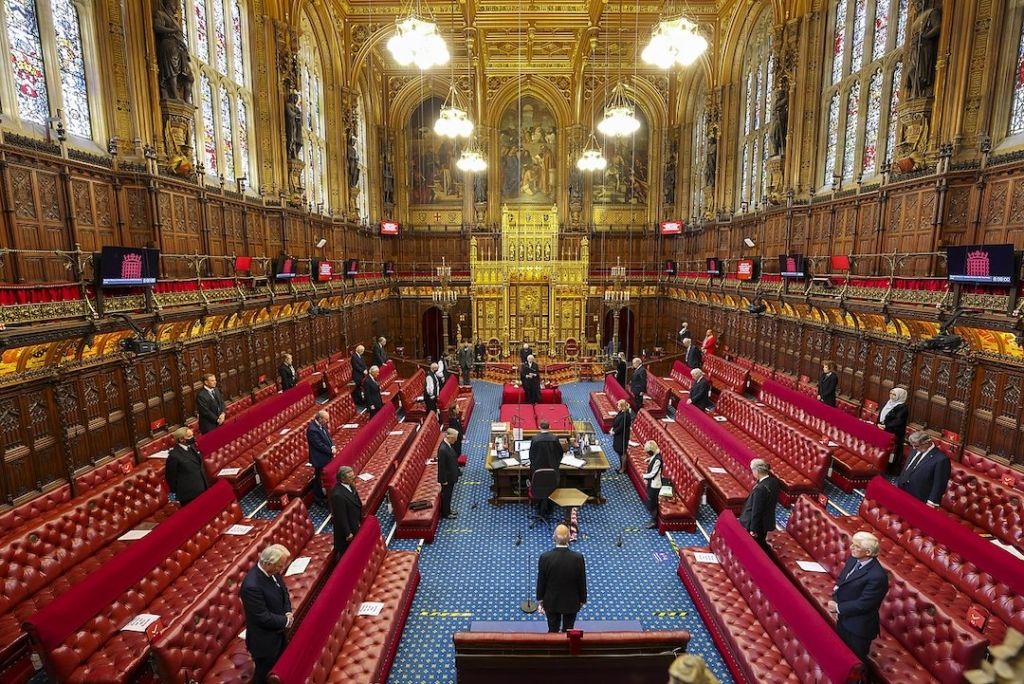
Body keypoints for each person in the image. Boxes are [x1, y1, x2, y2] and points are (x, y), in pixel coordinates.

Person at [827, 532, 889, 663]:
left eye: (857, 546)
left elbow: (864, 604)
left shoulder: (877, 577)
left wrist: (838, 608)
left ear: (868, 552)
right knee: (838, 654)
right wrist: (836, 594)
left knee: (853, 661)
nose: (852, 548)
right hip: (844, 618)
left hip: (858, 628)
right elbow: (843, 578)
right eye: (853, 544)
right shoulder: (854, 559)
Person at [241, 544, 293, 684]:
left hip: (279, 634)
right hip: (264, 642)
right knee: (264, 676)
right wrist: (286, 621)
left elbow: (284, 592)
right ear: (269, 563)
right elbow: (262, 617)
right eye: (279, 566)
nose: (281, 569)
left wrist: (288, 611)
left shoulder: (273, 572)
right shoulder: (251, 586)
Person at [536, 524, 587, 633]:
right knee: (569, 630)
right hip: (572, 601)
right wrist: (583, 599)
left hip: (551, 601)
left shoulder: (545, 558)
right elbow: (581, 581)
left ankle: (553, 649)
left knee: (553, 630)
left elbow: (542, 581)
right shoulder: (578, 558)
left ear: (554, 537)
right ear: (569, 537)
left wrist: (540, 599)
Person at [895, 431, 951, 507]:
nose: (914, 448)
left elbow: (939, 484)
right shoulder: (916, 448)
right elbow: (908, 467)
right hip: (901, 489)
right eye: (912, 446)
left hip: (918, 497)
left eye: (916, 446)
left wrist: (931, 502)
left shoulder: (941, 459)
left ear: (927, 443)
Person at [737, 459, 780, 551]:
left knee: (754, 547)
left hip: (757, 524)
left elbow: (757, 510)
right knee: (760, 542)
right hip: (767, 520)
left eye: (752, 470)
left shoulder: (759, 489)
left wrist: (753, 529)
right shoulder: (774, 482)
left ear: (757, 471)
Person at [165, 426, 208, 506]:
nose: (192, 438)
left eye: (192, 435)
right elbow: (170, 477)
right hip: (189, 494)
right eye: (189, 436)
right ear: (181, 439)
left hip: (202, 487)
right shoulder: (174, 456)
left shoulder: (192, 448)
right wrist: (178, 491)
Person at [529, 420, 563, 518]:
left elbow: (531, 456)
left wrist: (534, 466)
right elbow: (560, 454)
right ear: (550, 427)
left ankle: (540, 506)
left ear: (539, 427)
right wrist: (556, 465)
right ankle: (549, 507)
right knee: (549, 487)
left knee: (540, 487)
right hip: (553, 473)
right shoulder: (555, 438)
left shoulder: (535, 439)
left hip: (537, 473)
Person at [329, 466, 362, 558]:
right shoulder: (337, 495)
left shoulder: (350, 485)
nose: (353, 478)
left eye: (353, 476)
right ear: (342, 479)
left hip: (354, 521)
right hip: (347, 531)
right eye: (350, 477)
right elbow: (340, 516)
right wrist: (348, 533)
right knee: (347, 554)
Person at [306, 410, 336, 504]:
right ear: (320, 419)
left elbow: (327, 436)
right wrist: (330, 450)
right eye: (326, 419)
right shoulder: (312, 430)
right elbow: (319, 445)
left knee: (324, 475)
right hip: (319, 458)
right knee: (318, 478)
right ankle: (318, 498)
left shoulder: (322, 424)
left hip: (326, 454)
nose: (328, 421)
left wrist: (332, 445)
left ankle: (325, 494)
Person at [878, 387, 909, 473]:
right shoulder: (888, 403)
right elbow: (881, 413)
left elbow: (898, 421)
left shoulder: (903, 408)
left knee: (892, 452)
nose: (891, 396)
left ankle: (890, 469)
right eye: (890, 393)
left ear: (900, 396)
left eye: (894, 394)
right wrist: (878, 423)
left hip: (895, 433)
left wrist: (885, 426)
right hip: (884, 429)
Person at [438, 427, 461, 518]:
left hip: (451, 475)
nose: (455, 441)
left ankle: (448, 510)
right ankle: (446, 513)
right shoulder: (443, 449)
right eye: (454, 438)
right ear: (450, 437)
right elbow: (441, 467)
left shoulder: (448, 445)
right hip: (447, 478)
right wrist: (444, 480)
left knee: (449, 495)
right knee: (447, 496)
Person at [641, 441, 663, 529]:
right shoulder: (655, 456)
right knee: (650, 500)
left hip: (655, 484)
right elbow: (653, 458)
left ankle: (654, 521)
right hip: (651, 483)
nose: (647, 453)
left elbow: (653, 474)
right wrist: (648, 460)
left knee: (653, 502)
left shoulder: (658, 460)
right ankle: (652, 519)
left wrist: (644, 476)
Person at [611, 399, 633, 474]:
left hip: (622, 436)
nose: (617, 407)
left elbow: (621, 427)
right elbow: (616, 421)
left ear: (623, 407)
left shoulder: (626, 415)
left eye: (619, 406)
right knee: (618, 450)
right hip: (618, 435)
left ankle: (623, 468)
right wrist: (613, 428)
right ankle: (621, 466)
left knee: (622, 451)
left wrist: (614, 432)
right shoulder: (621, 412)